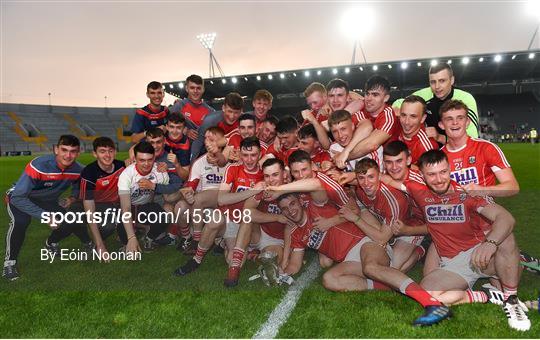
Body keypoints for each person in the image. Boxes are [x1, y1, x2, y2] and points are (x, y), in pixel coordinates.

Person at [277, 192, 451, 326]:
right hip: (348, 260)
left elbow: (349, 202)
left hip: (366, 243)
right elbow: (294, 264)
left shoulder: (317, 204)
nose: (290, 210)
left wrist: (332, 219)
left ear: (300, 201)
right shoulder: (297, 233)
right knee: (329, 279)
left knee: (371, 268)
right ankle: (387, 285)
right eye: (285, 209)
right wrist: (281, 272)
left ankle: (431, 303)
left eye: (292, 204)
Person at [409, 150, 530, 331]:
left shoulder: (466, 194)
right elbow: (389, 176)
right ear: (422, 175)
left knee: (505, 235)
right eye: (432, 175)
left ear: (450, 169)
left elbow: (506, 218)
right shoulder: (420, 192)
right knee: (427, 295)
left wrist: (490, 244)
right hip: (454, 263)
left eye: (443, 172)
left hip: (482, 256)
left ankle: (511, 300)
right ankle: (487, 295)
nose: (439, 179)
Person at [339, 158, 451, 326]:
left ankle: (420, 249)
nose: (366, 183)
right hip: (391, 229)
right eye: (361, 178)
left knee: (391, 270)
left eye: (371, 177)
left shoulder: (393, 200)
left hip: (411, 225)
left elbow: (382, 238)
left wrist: (355, 218)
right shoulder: (359, 189)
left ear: (379, 176)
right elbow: (355, 192)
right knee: (386, 272)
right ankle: (416, 254)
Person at [3, 135, 90, 281]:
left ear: (78, 153)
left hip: (46, 200)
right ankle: (9, 263)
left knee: (72, 219)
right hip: (20, 198)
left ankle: (85, 243)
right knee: (21, 222)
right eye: (64, 150)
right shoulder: (39, 165)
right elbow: (18, 197)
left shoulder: (79, 169)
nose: (68, 155)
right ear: (56, 149)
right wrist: (46, 216)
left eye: (73, 151)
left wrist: (72, 197)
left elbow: (78, 185)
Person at [174, 137, 263, 276]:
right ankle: (196, 260)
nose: (249, 159)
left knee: (231, 260)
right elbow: (221, 199)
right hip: (228, 218)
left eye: (253, 155)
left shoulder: (265, 173)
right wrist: (252, 191)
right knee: (215, 219)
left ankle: (226, 245)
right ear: (240, 154)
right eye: (245, 155)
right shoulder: (233, 168)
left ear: (260, 154)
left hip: (246, 224)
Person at [224, 158, 291, 287]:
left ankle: (252, 255)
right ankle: (234, 269)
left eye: (275, 175)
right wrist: (277, 217)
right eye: (267, 176)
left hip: (277, 240)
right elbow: (247, 212)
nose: (271, 180)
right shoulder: (262, 188)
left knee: (271, 265)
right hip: (258, 232)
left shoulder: (292, 189)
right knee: (231, 260)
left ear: (284, 174)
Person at [439, 100, 519, 198]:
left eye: (460, 118)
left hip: (484, 211)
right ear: (441, 125)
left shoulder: (486, 148)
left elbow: (512, 186)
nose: (455, 122)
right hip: (452, 212)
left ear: (467, 122)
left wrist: (483, 190)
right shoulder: (438, 157)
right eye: (449, 119)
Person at [392, 63, 479, 142]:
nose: (437, 86)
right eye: (433, 82)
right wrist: (397, 111)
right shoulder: (424, 94)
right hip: (431, 152)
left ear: (452, 80)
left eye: (442, 81)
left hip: (457, 151)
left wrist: (439, 137)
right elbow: (399, 103)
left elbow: (472, 138)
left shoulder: (465, 98)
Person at [175, 127, 228, 253]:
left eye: (212, 139)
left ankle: (197, 240)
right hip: (201, 206)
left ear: (222, 142)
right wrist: (187, 193)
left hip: (223, 203)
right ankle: (187, 237)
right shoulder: (200, 162)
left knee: (199, 199)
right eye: (206, 139)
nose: (208, 142)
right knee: (180, 207)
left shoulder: (229, 159)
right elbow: (191, 186)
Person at [334, 75, 399, 170]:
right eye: (367, 94)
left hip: (384, 166)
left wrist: (344, 155)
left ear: (386, 98)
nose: (369, 98)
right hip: (361, 162)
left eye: (375, 95)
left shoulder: (388, 115)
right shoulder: (360, 109)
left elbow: (371, 145)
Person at [118, 141, 170, 254]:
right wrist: (131, 238)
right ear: (135, 159)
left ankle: (149, 237)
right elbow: (125, 208)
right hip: (129, 207)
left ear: (154, 157)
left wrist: (154, 186)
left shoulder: (159, 171)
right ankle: (129, 237)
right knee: (124, 234)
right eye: (142, 160)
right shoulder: (126, 175)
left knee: (165, 217)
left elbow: (170, 193)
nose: (146, 164)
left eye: (150, 159)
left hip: (146, 206)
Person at [80, 137, 126, 261]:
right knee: (108, 225)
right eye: (102, 151)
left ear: (115, 152)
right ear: (95, 154)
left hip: (117, 203)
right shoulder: (89, 173)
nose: (107, 155)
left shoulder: (122, 166)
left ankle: (124, 235)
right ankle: (96, 241)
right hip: (98, 205)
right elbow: (90, 211)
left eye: (110, 151)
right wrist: (100, 246)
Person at [190, 92, 244, 161]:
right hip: (210, 154)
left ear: (241, 111)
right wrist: (192, 165)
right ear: (223, 108)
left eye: (236, 113)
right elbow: (198, 143)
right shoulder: (210, 120)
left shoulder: (245, 122)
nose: (232, 116)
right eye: (229, 111)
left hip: (233, 155)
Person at [169, 74, 214, 141]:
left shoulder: (210, 111)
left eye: (198, 88)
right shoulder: (179, 106)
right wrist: (184, 131)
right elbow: (168, 127)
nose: (195, 91)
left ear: (203, 89)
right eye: (192, 88)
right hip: (181, 149)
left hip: (201, 149)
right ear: (187, 89)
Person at [397, 95, 438, 165]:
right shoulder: (394, 124)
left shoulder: (426, 146)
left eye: (413, 116)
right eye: (403, 115)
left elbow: (429, 173)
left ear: (422, 118)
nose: (406, 122)